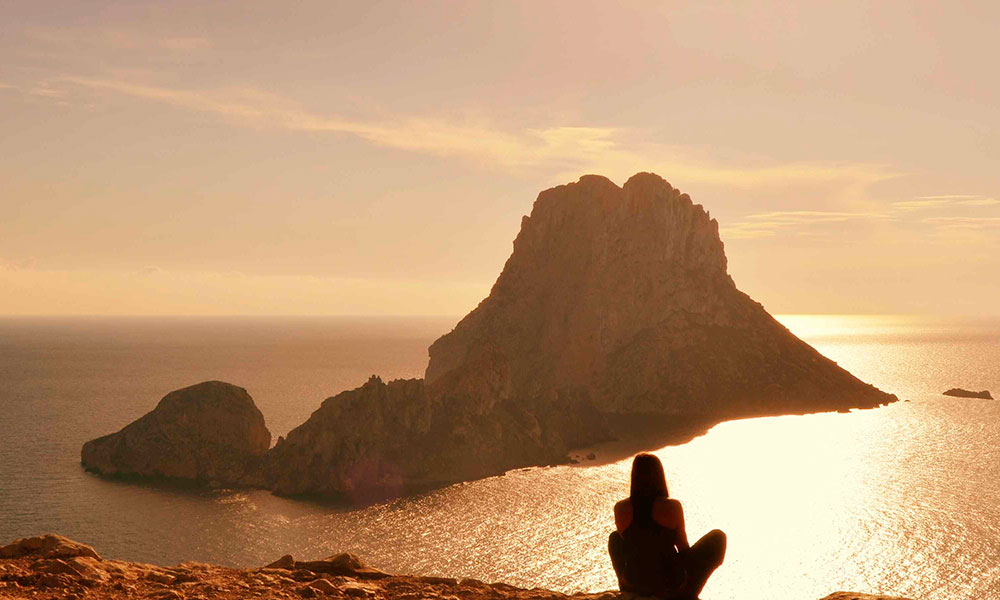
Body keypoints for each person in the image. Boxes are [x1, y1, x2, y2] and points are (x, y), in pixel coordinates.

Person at [608, 453, 726, 599]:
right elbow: (683, 548)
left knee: (614, 538)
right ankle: (688, 593)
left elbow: (628, 544)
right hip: (670, 584)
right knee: (717, 537)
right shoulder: (672, 506)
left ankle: (626, 586)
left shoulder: (620, 508)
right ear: (659, 476)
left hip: (635, 582)